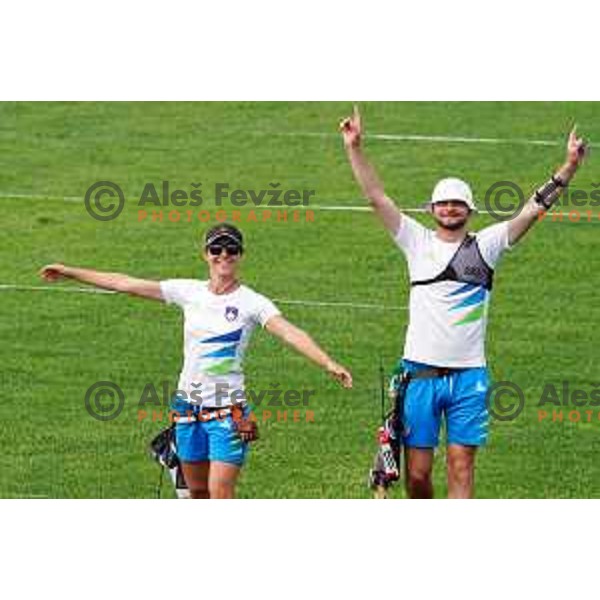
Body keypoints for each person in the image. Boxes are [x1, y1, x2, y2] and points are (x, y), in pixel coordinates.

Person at [340, 105, 587, 498]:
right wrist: (355, 148)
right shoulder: (415, 242)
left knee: (461, 465)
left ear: (469, 211)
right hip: (419, 375)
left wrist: (568, 167)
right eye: (443, 203)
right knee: (417, 476)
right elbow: (376, 197)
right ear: (432, 209)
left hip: (469, 377)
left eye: (458, 203)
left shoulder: (486, 246)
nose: (450, 208)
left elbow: (533, 209)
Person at [40, 224, 352, 499]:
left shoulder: (252, 302)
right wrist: (70, 271)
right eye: (216, 248)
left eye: (231, 249)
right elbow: (126, 283)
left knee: (220, 493)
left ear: (241, 254)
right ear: (206, 254)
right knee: (196, 493)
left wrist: (327, 363)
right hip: (187, 410)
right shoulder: (188, 291)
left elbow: (289, 332)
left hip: (228, 415)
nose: (223, 255)